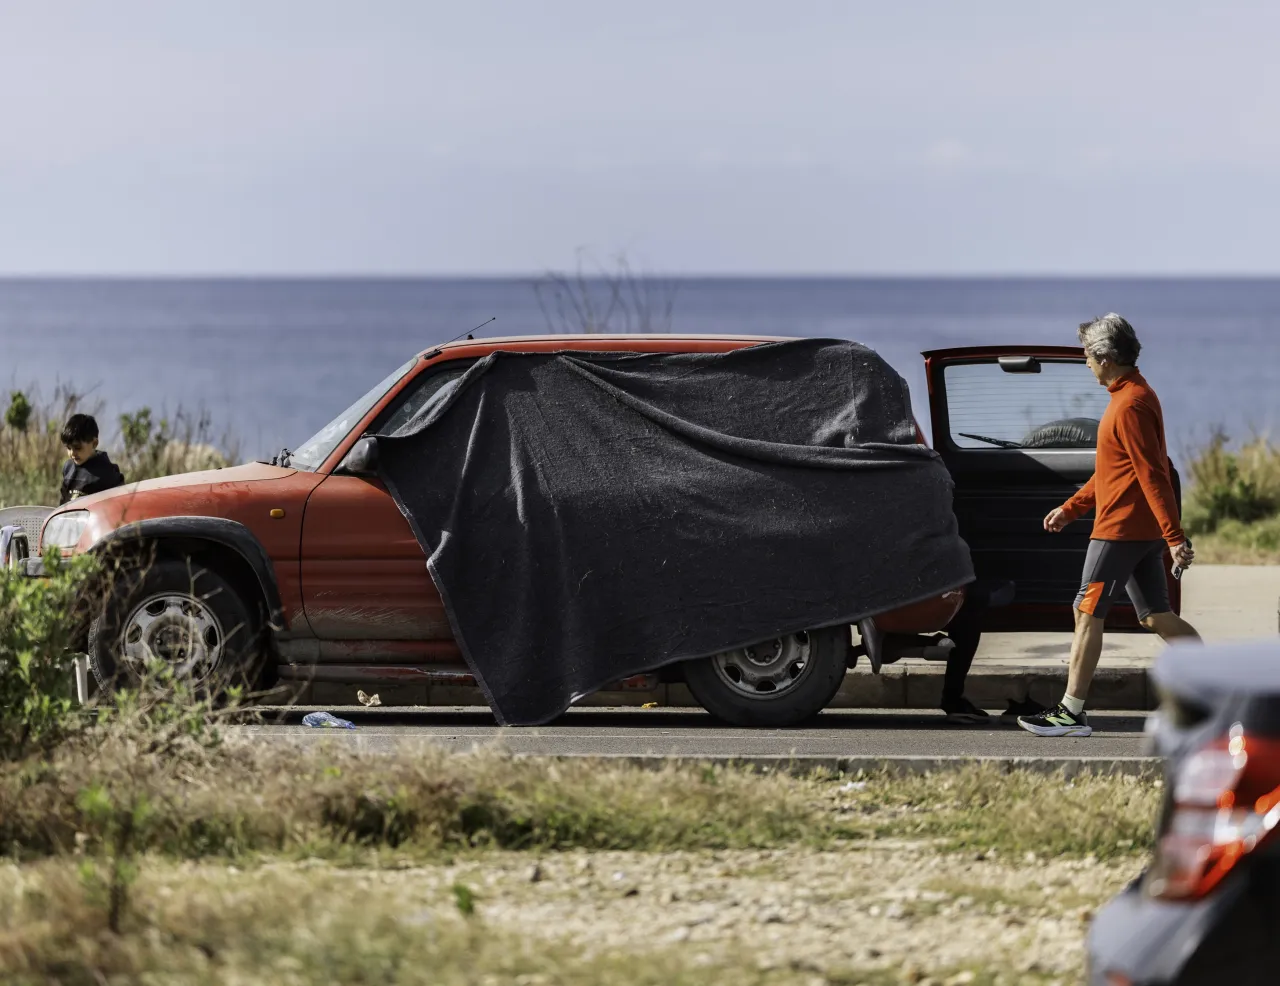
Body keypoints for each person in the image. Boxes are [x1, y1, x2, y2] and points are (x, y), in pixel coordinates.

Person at [1018, 314, 1198, 737]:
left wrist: (1174, 537)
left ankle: (1071, 712)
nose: (1085, 364)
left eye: (1087, 356)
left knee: (1086, 610)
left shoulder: (1132, 403)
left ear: (1106, 357)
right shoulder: (1130, 395)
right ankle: (1211, 687)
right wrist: (1073, 507)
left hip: (1119, 531)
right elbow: (1113, 470)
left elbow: (1152, 473)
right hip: (1135, 530)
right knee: (1155, 615)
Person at [59, 413, 125, 504]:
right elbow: (63, 500)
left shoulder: (108, 473)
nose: (72, 453)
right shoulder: (68, 467)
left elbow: (119, 505)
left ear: (94, 443)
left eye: (77, 448)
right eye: (68, 448)